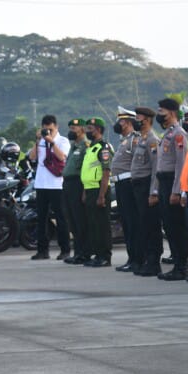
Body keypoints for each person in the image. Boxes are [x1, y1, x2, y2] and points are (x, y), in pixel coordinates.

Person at [150, 98, 188, 280]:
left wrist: (176, 190)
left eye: (162, 112)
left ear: (172, 113)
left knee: (176, 226)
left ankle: (181, 266)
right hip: (164, 181)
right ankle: (176, 263)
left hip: (172, 182)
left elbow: (181, 164)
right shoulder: (168, 134)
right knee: (169, 226)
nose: (159, 115)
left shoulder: (179, 134)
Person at [26, 114, 70, 261]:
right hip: (41, 184)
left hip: (57, 185)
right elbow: (32, 157)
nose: (48, 132)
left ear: (56, 127)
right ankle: (42, 250)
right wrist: (38, 141)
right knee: (41, 218)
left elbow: (62, 157)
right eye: (45, 130)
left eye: (50, 129)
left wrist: (51, 142)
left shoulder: (63, 141)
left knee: (61, 218)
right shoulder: (41, 141)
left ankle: (65, 249)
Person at [130, 106, 162, 276]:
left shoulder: (152, 140)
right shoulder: (141, 139)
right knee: (143, 225)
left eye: (139, 118)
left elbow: (156, 168)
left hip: (146, 187)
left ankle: (154, 262)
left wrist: (153, 191)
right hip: (138, 186)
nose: (136, 120)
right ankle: (146, 260)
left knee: (151, 226)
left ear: (148, 120)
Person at [79, 117, 113, 267]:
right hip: (90, 189)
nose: (87, 131)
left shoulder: (103, 148)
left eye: (90, 129)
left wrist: (101, 195)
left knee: (102, 226)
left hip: (100, 190)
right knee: (93, 225)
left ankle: (105, 256)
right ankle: (97, 255)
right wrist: (85, 192)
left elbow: (106, 172)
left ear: (98, 130)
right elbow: (88, 171)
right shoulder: (90, 148)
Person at [110, 110, 140, 271]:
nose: (117, 124)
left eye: (120, 121)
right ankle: (131, 258)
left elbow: (137, 164)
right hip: (120, 184)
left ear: (128, 123)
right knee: (126, 223)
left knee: (133, 223)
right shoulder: (124, 141)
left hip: (129, 184)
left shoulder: (134, 140)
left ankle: (137, 258)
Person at [61, 118, 88, 264]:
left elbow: (86, 169)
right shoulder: (74, 146)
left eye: (74, 128)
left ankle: (84, 252)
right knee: (71, 220)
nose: (71, 130)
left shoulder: (85, 146)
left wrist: (84, 190)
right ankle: (77, 251)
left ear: (82, 129)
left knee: (80, 220)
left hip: (78, 184)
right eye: (70, 127)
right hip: (68, 184)